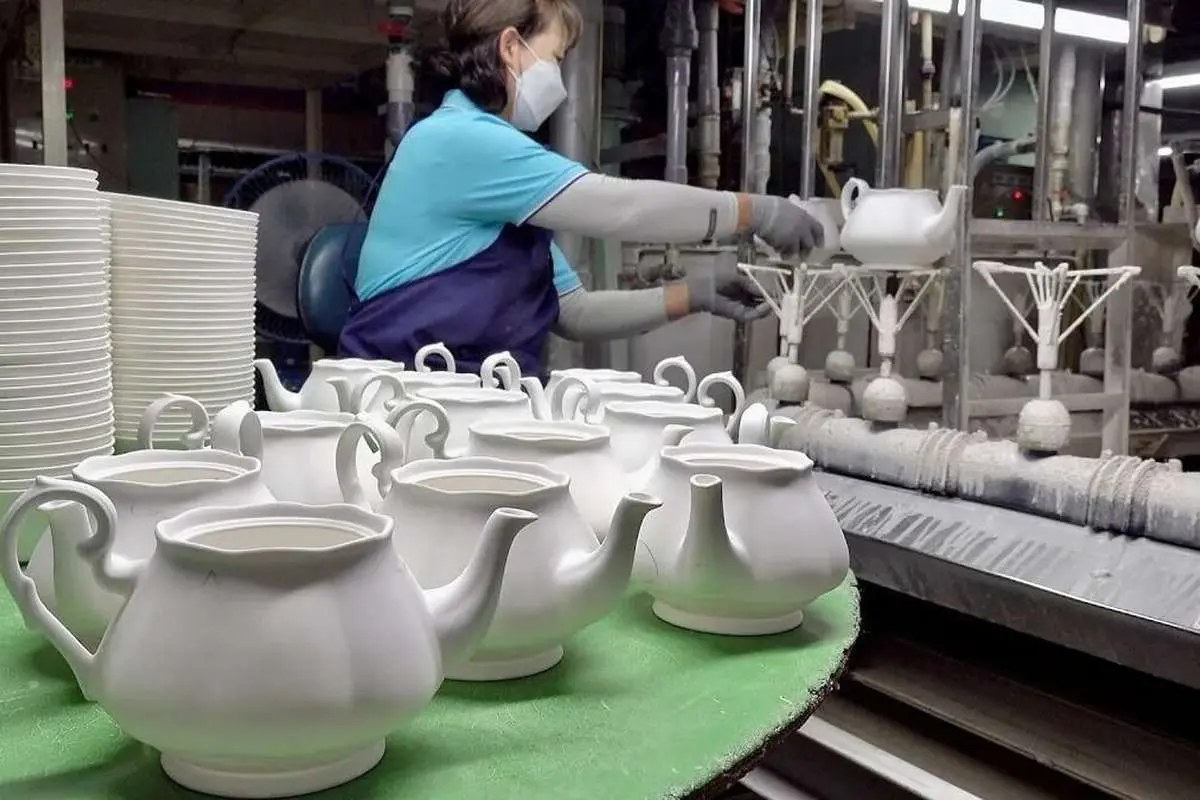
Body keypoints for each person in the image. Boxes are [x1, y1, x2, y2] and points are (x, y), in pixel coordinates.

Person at [339, 0, 824, 378]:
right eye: (555, 57)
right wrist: (756, 211)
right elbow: (624, 208)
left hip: (464, 398)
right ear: (510, 47)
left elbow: (575, 311)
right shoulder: (459, 140)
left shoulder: (496, 168)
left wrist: (695, 295)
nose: (560, 80)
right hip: (401, 402)